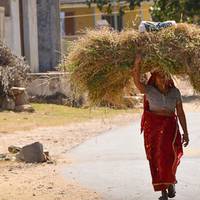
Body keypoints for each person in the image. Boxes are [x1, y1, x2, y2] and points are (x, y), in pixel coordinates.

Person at [132, 54, 189, 200]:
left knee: (170, 157)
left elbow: (181, 114)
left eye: (165, 76)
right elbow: (137, 83)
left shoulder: (175, 93)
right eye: (160, 77)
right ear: (155, 78)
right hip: (154, 131)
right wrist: (137, 64)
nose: (163, 79)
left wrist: (186, 133)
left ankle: (170, 182)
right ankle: (163, 191)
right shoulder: (150, 91)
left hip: (171, 129)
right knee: (157, 159)